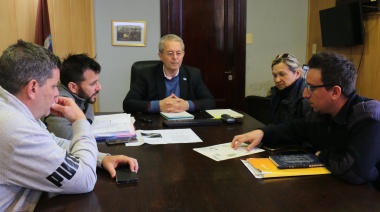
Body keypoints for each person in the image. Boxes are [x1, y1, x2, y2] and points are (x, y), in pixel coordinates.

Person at [0, 40, 138, 211]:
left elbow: (52, 143)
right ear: (33, 88)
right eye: (53, 86)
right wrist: (79, 121)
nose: (57, 93)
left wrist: (101, 158)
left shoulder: (13, 107)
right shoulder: (16, 129)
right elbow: (85, 179)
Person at [232, 51, 380, 189]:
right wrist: (262, 132)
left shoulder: (368, 116)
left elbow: (354, 172)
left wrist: (321, 154)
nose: (305, 94)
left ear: (335, 92)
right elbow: (292, 129)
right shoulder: (321, 113)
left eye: (311, 87)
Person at [123, 34, 215, 113]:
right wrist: (159, 105)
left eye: (178, 53)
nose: (175, 57)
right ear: (161, 56)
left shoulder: (193, 74)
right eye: (170, 53)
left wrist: (187, 105)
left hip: (185, 123)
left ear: (183, 54)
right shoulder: (146, 74)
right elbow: (128, 104)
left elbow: (210, 102)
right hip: (155, 123)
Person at [44, 53, 102, 139]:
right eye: (93, 84)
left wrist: (84, 121)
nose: (99, 87)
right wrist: (83, 122)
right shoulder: (59, 102)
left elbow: (88, 103)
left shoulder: (82, 94)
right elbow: (72, 140)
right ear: (73, 87)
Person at [268, 53, 310, 124]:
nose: (277, 80)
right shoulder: (277, 93)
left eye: (282, 74)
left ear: (297, 74)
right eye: (275, 75)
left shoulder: (305, 100)